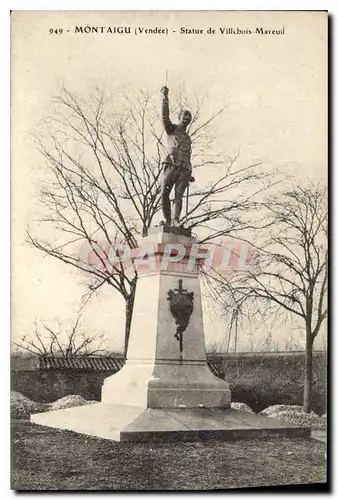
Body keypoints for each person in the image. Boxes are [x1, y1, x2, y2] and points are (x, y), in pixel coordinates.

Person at [160, 86, 194, 227]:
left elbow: (188, 154)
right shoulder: (172, 129)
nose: (186, 118)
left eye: (189, 117)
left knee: (178, 196)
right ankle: (168, 220)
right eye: (184, 115)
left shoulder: (188, 138)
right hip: (171, 165)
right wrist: (165, 98)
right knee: (164, 194)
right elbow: (164, 117)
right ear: (179, 117)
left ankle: (175, 220)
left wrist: (190, 173)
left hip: (184, 169)